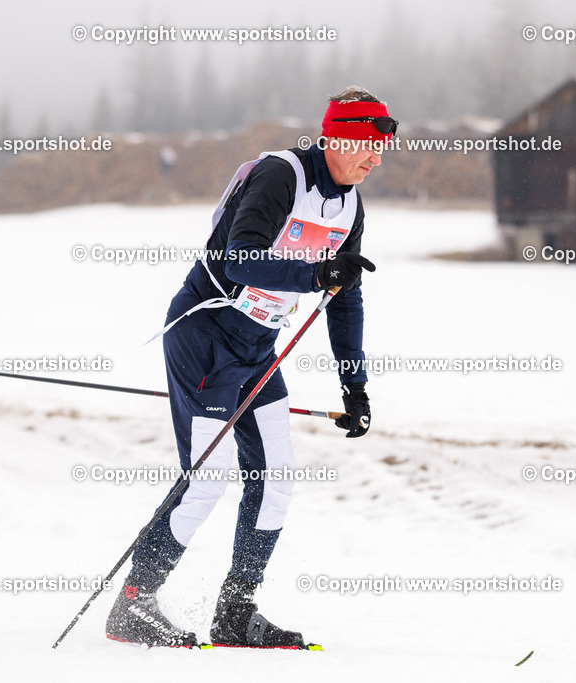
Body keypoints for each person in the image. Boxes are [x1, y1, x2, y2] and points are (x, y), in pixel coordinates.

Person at [105, 86, 397, 648]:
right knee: (208, 478)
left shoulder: (351, 205)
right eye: (368, 143)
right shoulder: (280, 175)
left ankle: (235, 612)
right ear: (336, 135)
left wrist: (354, 385)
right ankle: (133, 603)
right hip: (205, 336)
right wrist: (316, 275)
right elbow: (238, 257)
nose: (376, 158)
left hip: (259, 350)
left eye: (382, 147)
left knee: (276, 479)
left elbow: (346, 297)